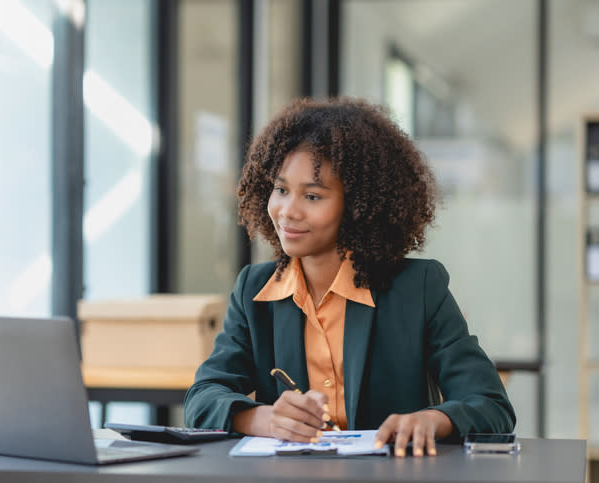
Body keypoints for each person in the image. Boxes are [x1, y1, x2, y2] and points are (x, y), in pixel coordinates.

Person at [184, 97, 515, 458]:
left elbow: (490, 405)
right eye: (280, 190)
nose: (287, 211)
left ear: (358, 206)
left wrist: (433, 420)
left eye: (312, 196)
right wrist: (261, 419)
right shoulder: (254, 290)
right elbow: (203, 397)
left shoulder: (419, 288)